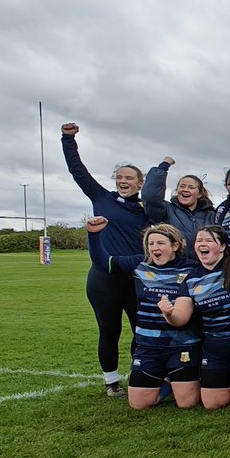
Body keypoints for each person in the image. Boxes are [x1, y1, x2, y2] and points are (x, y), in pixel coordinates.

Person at [62, 122, 148, 398]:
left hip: (136, 277)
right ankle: (111, 382)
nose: (123, 181)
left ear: (140, 183)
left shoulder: (148, 210)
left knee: (142, 329)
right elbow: (78, 171)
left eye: (129, 178)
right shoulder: (101, 198)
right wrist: (68, 140)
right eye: (119, 177)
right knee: (109, 329)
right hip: (104, 277)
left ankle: (139, 376)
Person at [86, 218, 200, 410]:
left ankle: (180, 377)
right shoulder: (139, 264)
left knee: (186, 403)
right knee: (139, 404)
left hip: (181, 345)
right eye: (150, 243)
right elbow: (103, 263)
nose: (154, 247)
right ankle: (167, 380)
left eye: (160, 243)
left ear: (175, 245)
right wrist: (93, 234)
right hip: (148, 346)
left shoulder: (191, 268)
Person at [159, 225, 230, 411]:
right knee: (213, 404)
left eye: (209, 240)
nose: (202, 244)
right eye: (199, 240)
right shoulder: (192, 279)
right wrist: (169, 313)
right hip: (213, 348)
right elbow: (181, 318)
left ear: (223, 246)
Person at [142, 157, 215, 248]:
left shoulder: (212, 215)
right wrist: (163, 167)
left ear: (199, 194)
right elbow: (151, 197)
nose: (185, 190)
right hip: (175, 262)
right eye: (182, 186)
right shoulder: (166, 211)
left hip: (203, 262)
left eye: (191, 187)